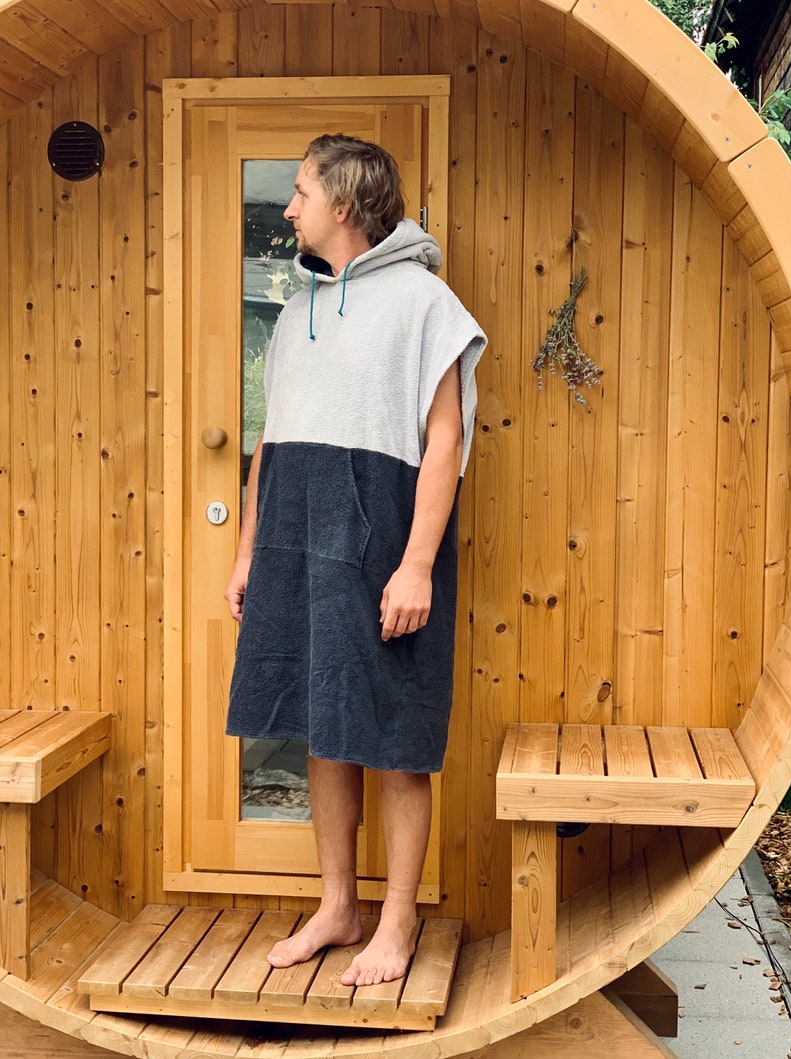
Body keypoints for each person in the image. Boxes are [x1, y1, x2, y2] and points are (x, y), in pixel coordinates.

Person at [224, 133, 486, 988]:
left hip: (383, 539)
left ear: (344, 204)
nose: (290, 206)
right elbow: (273, 438)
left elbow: (444, 438)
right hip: (299, 533)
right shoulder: (295, 305)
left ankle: (399, 921)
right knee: (320, 718)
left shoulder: (424, 303)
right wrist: (247, 553)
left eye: (300, 192)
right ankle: (338, 906)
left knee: (396, 728)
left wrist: (416, 564)